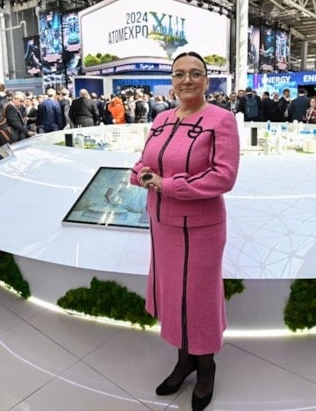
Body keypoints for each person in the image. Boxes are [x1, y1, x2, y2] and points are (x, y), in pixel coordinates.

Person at [131, 52, 240, 411]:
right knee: (174, 295)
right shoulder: (161, 119)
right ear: (172, 82)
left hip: (201, 228)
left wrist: (167, 185)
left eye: (195, 73)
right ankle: (184, 360)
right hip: (162, 225)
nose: (187, 80)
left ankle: (206, 366)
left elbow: (223, 176)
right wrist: (141, 174)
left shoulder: (221, 120)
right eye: (179, 74)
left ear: (207, 80)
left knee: (198, 298)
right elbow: (145, 161)